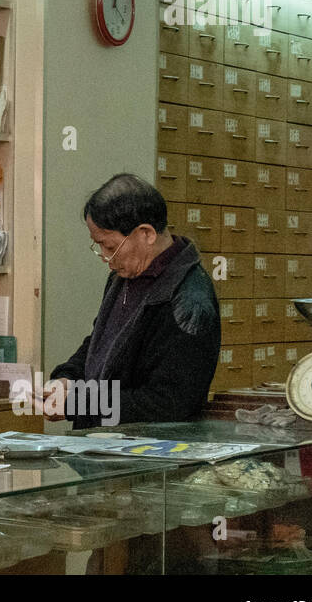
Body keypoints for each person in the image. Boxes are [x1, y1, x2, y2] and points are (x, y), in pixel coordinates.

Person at [45, 173, 221, 428]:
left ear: (146, 233)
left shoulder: (191, 298)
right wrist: (67, 379)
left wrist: (79, 403)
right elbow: (100, 343)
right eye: (99, 247)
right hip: (103, 447)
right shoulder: (125, 275)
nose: (105, 258)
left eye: (110, 246)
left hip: (151, 453)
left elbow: (169, 402)